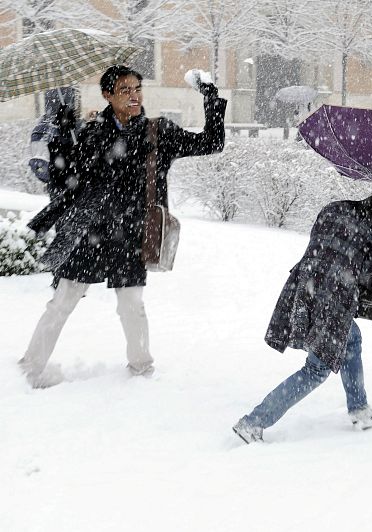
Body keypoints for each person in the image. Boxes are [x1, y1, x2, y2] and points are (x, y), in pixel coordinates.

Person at [19, 65, 227, 388]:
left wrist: (211, 96)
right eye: (124, 90)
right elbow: (64, 181)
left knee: (132, 306)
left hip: (131, 236)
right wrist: (61, 138)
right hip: (90, 234)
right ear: (107, 95)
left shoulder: (158, 132)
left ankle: (141, 371)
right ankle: (30, 367)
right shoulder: (90, 132)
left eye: (137, 89)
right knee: (62, 302)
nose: (133, 96)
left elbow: (212, 142)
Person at [233, 189, 372, 444]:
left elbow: (320, 243)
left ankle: (359, 409)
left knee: (351, 339)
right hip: (334, 297)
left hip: (305, 285)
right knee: (316, 369)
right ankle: (253, 422)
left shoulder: (334, 207)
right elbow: (366, 272)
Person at [28, 87, 83, 200]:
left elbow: (39, 167)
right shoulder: (77, 127)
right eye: (76, 99)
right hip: (75, 188)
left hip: (58, 190)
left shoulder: (40, 129)